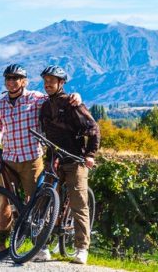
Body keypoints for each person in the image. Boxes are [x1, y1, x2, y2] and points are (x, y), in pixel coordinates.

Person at [0, 63, 82, 259]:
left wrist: (77, 97)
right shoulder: (0, 104)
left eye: (16, 78)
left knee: (36, 202)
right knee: (4, 201)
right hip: (9, 159)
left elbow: (59, 100)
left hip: (32, 158)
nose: (11, 82)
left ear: (24, 81)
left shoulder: (36, 99)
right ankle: (2, 242)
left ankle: (40, 245)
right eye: (8, 78)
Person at [38, 65, 99, 265]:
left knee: (79, 203)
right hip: (53, 160)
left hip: (75, 160)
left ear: (61, 83)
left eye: (52, 81)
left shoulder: (72, 104)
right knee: (44, 201)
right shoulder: (45, 106)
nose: (48, 84)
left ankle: (82, 249)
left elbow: (93, 128)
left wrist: (90, 154)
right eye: (46, 81)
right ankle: (43, 245)